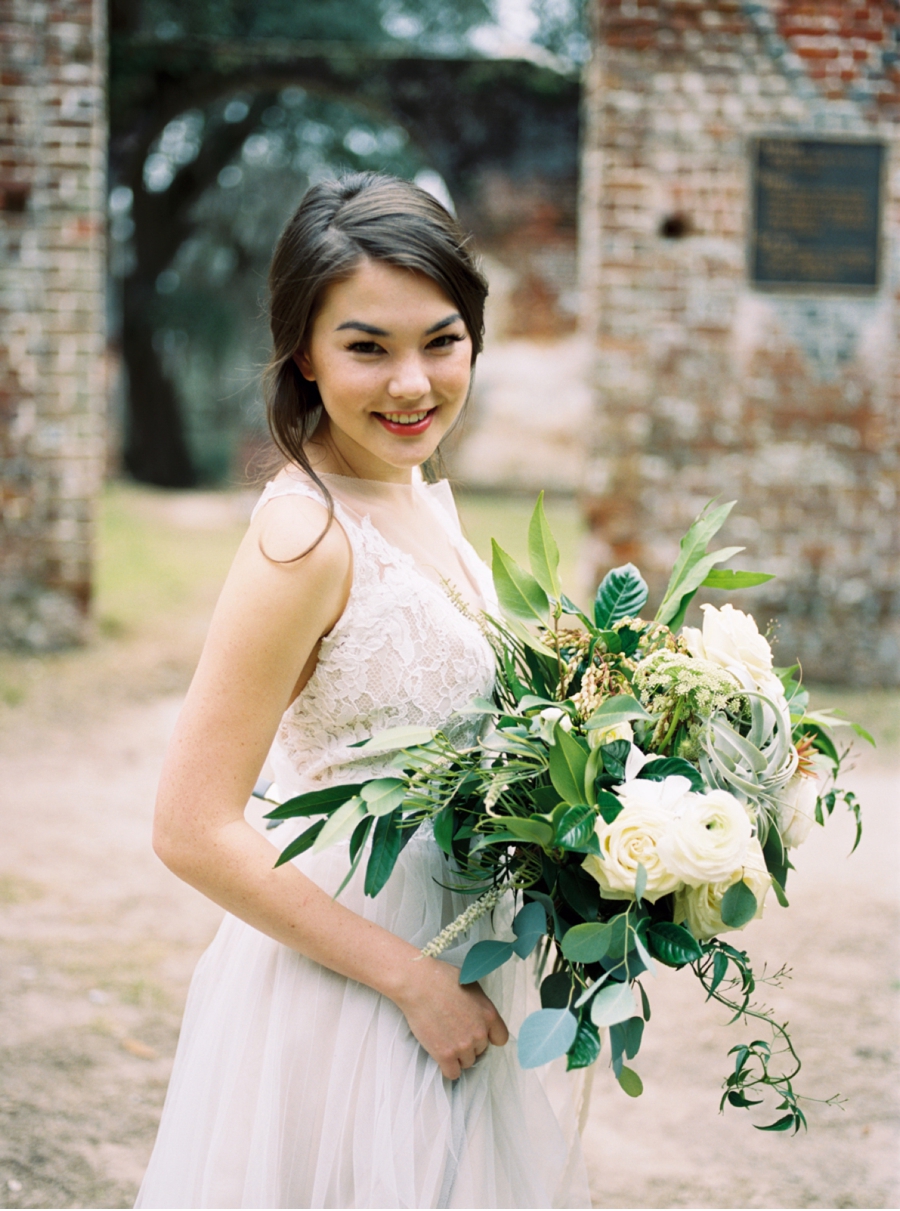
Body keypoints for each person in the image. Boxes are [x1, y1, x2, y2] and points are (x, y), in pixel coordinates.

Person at [135, 172, 591, 1209]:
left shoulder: (420, 490)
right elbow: (191, 825)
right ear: (305, 351)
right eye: (366, 346)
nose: (412, 384)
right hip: (352, 985)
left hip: (456, 948)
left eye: (441, 340)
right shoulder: (303, 537)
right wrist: (414, 979)